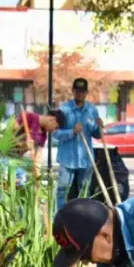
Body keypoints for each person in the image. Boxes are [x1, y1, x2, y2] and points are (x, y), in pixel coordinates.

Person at [53, 77, 103, 210]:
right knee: (62, 190)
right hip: (67, 159)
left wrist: (100, 128)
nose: (79, 94)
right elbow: (55, 134)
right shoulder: (63, 110)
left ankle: (81, 217)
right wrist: (72, 132)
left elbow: (97, 135)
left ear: (86, 92)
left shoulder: (92, 110)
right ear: (73, 91)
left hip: (86, 159)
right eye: (77, 91)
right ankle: (59, 217)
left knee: (85, 191)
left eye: (82, 91)